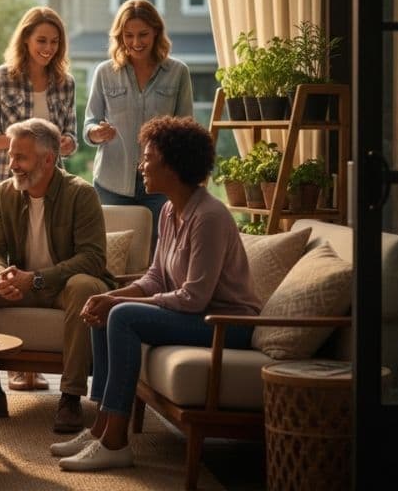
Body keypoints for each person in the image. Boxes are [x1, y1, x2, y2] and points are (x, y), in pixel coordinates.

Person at [53, 116, 261, 471]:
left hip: (227, 324)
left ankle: (116, 443)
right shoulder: (168, 210)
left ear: (174, 165)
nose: (141, 166)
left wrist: (121, 302)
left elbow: (193, 297)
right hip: (197, 315)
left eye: (148, 158)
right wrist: (113, 296)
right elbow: (156, 277)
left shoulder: (209, 216)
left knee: (120, 313)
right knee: (107, 309)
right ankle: (101, 428)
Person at [0, 118, 109, 434]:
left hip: (62, 287)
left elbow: (93, 259)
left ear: (48, 159)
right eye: (11, 157)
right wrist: (0, 274)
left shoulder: (81, 194)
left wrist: (35, 279)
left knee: (85, 285)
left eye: (21, 157)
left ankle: (70, 397)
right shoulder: (6, 194)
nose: (12, 165)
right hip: (22, 285)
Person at [0, 5, 77, 392]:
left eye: (54, 42)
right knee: (8, 261)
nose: (47, 48)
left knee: (43, 260)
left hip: (50, 183)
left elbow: (72, 136)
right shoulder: (0, 78)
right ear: (26, 40)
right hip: (6, 180)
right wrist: (22, 146)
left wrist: (63, 142)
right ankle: (18, 365)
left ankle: (35, 364)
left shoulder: (65, 83)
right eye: (41, 41)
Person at [82, 0, 193, 253]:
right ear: (119, 36)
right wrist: (96, 133)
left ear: (156, 32)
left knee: (160, 253)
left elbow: (186, 129)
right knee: (113, 255)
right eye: (128, 35)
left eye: (143, 34)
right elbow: (88, 122)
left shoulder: (178, 72)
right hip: (111, 183)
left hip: (161, 183)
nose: (136, 42)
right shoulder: (104, 72)